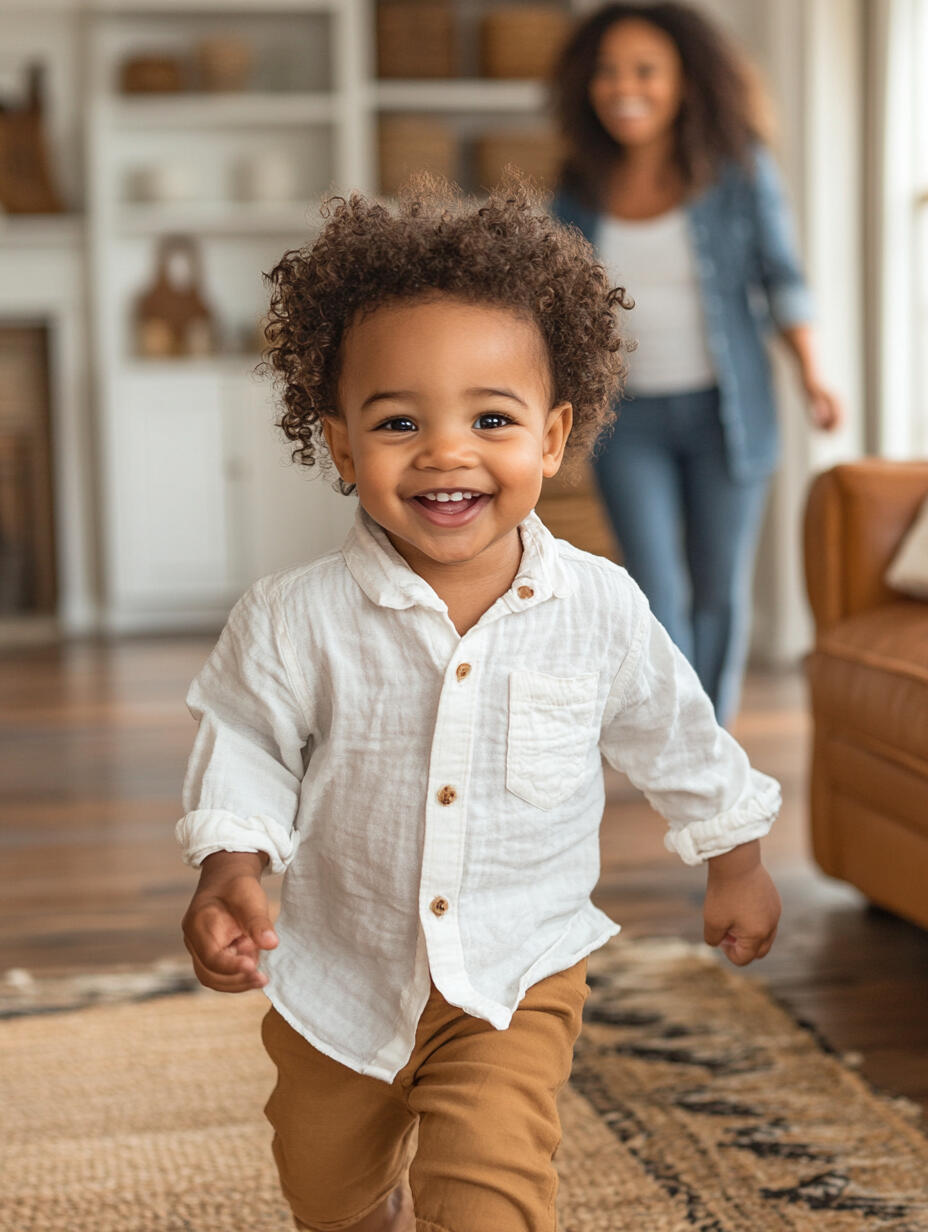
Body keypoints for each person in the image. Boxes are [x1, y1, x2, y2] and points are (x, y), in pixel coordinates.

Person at [176, 178, 782, 1232]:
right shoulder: (292, 618)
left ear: (551, 437)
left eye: (490, 418)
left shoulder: (596, 606)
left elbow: (674, 732)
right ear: (341, 443)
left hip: (516, 967)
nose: (446, 451)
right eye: (399, 420)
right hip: (339, 968)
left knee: (491, 1188)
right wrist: (231, 869)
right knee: (326, 1189)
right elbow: (245, 744)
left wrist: (733, 861)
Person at [551, 1, 843, 725]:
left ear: (685, 80)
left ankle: (708, 740)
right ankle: (676, 732)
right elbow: (553, 299)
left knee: (718, 588)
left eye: (646, 70)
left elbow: (780, 275)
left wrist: (812, 373)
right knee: (653, 585)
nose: (624, 87)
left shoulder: (737, 168)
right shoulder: (580, 183)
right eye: (607, 72)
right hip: (629, 418)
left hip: (728, 412)